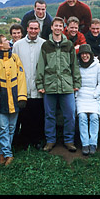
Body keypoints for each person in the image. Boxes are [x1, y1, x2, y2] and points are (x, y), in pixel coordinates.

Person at [35, 17, 81, 153]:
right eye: (56, 26)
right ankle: (50, 140)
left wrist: (76, 82)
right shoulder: (46, 45)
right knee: (49, 115)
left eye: (60, 26)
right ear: (52, 27)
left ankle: (69, 140)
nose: (58, 28)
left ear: (63, 28)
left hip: (67, 86)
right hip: (49, 85)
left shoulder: (69, 45)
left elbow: (74, 65)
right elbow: (41, 66)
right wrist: (40, 84)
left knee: (70, 114)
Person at [0, 34, 27, 166]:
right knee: (3, 128)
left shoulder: (15, 58)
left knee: (11, 128)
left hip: (15, 99)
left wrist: (22, 97)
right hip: (1, 100)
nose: (8, 42)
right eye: (5, 41)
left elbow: (21, 78)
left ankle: (3, 153)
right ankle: (8, 154)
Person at [12, 20, 46, 150]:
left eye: (35, 29)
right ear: (27, 29)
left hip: (38, 86)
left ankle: (37, 140)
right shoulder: (18, 45)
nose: (33, 31)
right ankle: (24, 141)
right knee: (24, 115)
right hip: (23, 86)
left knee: (37, 114)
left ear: (39, 30)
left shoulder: (44, 44)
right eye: (31, 28)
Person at [75, 44, 100, 155]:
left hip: (93, 96)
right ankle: (85, 144)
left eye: (86, 54)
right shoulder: (77, 66)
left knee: (94, 117)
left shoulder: (97, 66)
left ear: (90, 54)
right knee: (82, 117)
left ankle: (93, 143)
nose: (84, 56)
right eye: (82, 54)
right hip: (81, 96)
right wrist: (76, 93)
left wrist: (96, 93)